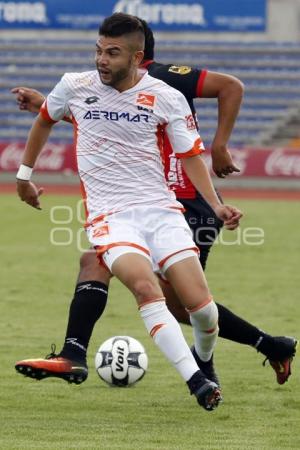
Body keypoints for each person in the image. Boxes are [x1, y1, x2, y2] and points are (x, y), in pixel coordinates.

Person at [13, 18, 297, 388]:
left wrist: (219, 146)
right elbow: (107, 125)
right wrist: (51, 107)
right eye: (100, 50)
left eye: (113, 52)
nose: (102, 60)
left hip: (185, 202)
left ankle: (257, 348)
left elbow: (229, 87)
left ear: (138, 54)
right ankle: (73, 353)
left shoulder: (169, 82)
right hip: (131, 204)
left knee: (184, 304)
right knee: (97, 262)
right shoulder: (87, 84)